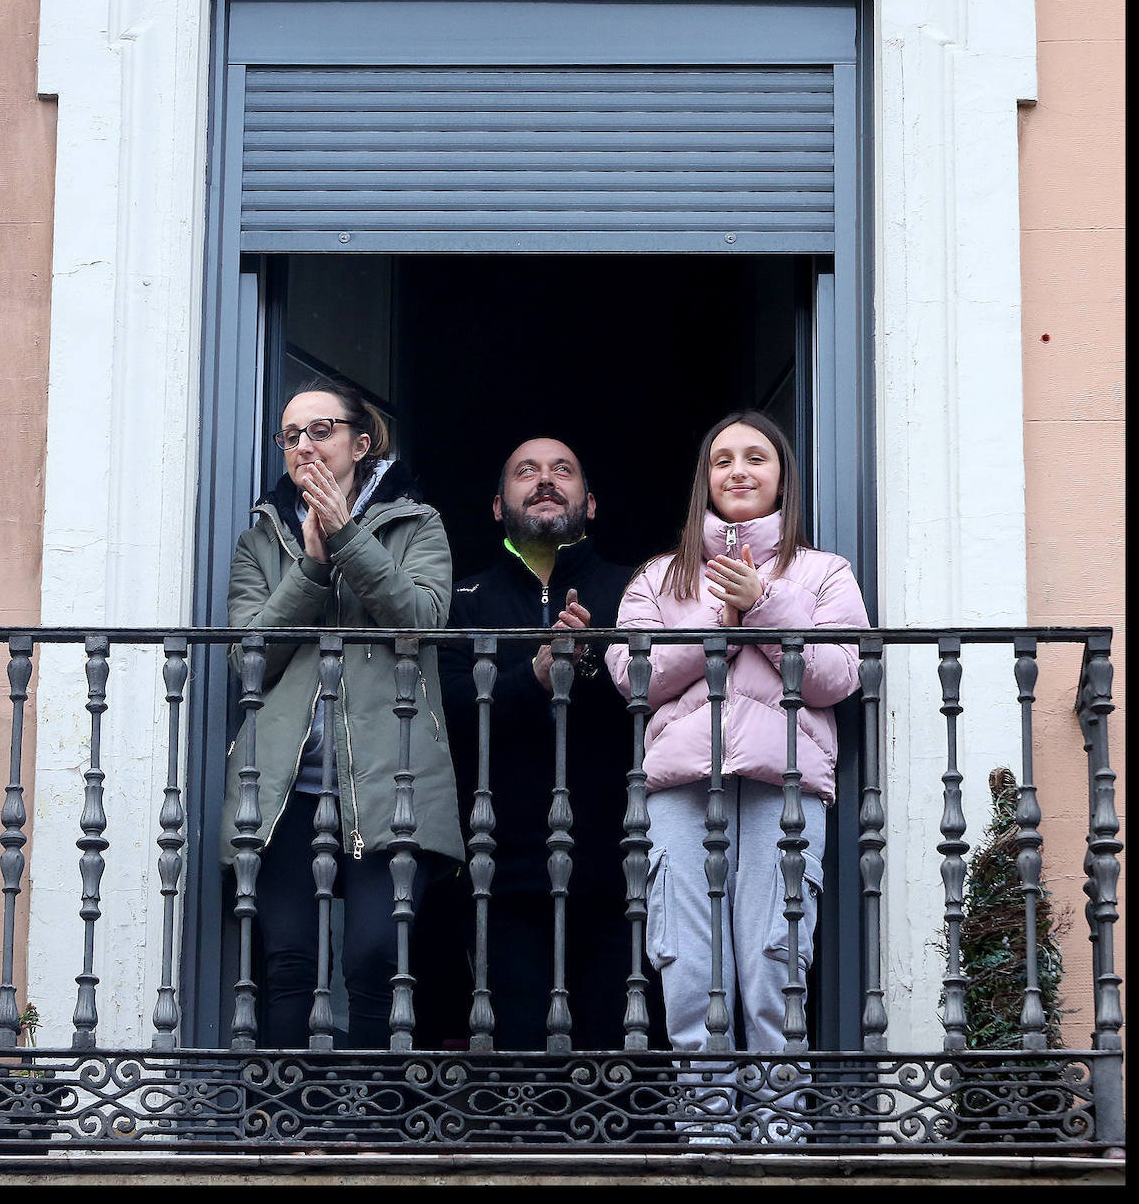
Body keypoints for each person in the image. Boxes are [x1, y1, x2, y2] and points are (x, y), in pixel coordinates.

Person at [605, 410, 869, 1142]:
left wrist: (765, 605)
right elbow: (630, 675)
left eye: (755, 457)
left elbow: (836, 675)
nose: (738, 471)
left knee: (771, 962)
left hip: (782, 788)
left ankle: (779, 1141)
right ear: (705, 480)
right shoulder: (659, 576)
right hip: (681, 791)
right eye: (722, 460)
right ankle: (708, 1139)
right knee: (687, 965)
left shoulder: (823, 573)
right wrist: (716, 625)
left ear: (781, 473)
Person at [218, 378, 464, 1049]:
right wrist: (312, 566)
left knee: (374, 958)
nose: (304, 445)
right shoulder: (262, 539)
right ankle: (283, 1126)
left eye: (320, 430)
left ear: (360, 443)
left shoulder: (418, 523)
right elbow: (249, 660)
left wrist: (348, 537)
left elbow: (420, 619)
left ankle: (367, 1127)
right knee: (288, 960)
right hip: (280, 788)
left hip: (392, 780)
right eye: (291, 435)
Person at [437, 437, 641, 1051]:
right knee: (518, 1059)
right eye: (527, 472)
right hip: (501, 866)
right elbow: (439, 709)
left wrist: (584, 666)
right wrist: (532, 674)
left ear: (592, 503)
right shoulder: (463, 601)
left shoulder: (636, 592)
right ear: (499, 506)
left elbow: (670, 701)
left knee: (614, 1060)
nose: (545, 480)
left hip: (620, 862)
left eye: (562, 471)